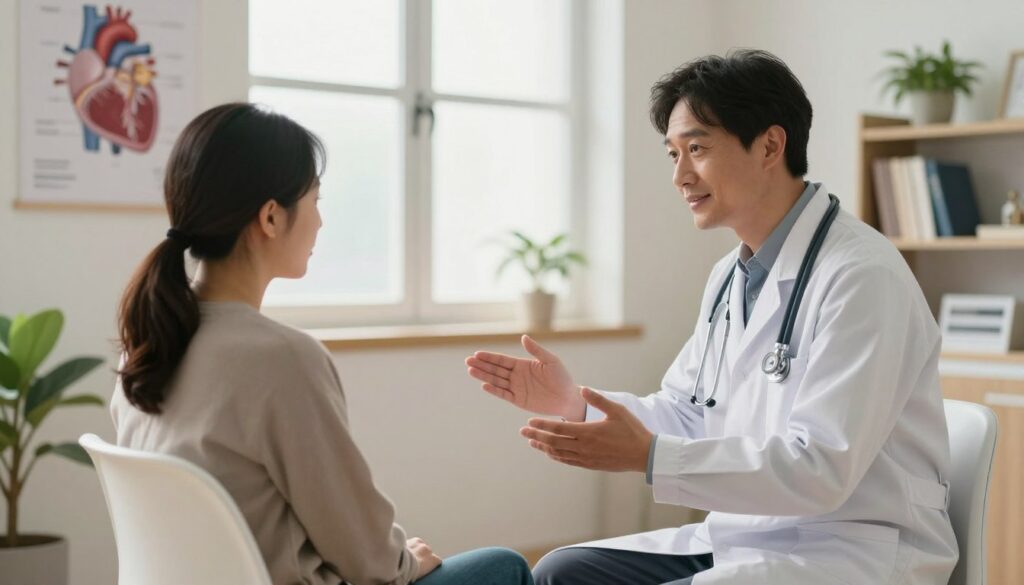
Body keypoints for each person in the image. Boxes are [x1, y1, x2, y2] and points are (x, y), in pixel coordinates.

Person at [466, 50, 957, 585]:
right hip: (750, 534)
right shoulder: (731, 275)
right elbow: (689, 411)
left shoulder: (862, 275)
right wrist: (576, 406)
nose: (680, 176)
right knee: (564, 570)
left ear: (770, 145)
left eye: (697, 149)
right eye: (673, 154)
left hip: (854, 546)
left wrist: (652, 457)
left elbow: (822, 469)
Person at [112, 103, 533, 585]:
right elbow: (371, 563)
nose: (320, 222)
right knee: (505, 567)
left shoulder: (144, 346)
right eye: (315, 199)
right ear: (271, 217)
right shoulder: (280, 359)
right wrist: (407, 560)